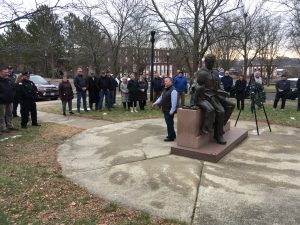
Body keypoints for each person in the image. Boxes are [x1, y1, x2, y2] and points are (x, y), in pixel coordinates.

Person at [196, 54, 235, 145]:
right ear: (205, 62)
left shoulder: (215, 72)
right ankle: (218, 135)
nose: (211, 64)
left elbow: (218, 84)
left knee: (231, 105)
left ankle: (219, 125)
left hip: (216, 93)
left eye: (212, 62)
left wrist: (223, 91)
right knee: (221, 111)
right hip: (207, 95)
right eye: (209, 62)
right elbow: (196, 86)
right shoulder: (201, 73)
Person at [152, 77, 178, 142]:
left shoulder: (173, 90)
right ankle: (173, 135)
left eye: (166, 81)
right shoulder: (165, 89)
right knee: (169, 123)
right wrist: (155, 103)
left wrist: (172, 110)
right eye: (164, 81)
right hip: (165, 109)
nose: (165, 82)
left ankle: (170, 137)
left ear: (170, 82)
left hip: (169, 110)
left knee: (169, 123)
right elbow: (161, 98)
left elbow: (174, 102)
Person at [0, 65, 17, 134]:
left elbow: (13, 88)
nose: (8, 73)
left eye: (8, 72)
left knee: (10, 114)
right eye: (6, 72)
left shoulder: (8, 80)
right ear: (1, 72)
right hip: (1, 101)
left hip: (9, 100)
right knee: (1, 115)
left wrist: (12, 95)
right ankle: (3, 127)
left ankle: (10, 126)